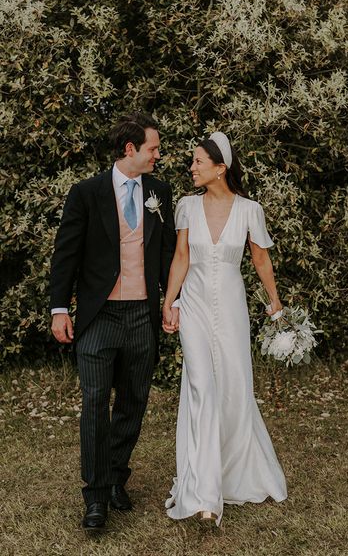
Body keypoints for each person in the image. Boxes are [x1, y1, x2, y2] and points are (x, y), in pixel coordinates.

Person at [49, 112, 178, 531]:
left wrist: (172, 301)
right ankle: (96, 497)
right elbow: (66, 254)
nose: (158, 155)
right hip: (99, 317)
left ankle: (117, 476)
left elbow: (167, 253)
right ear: (130, 149)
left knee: (132, 401)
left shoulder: (160, 191)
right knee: (94, 403)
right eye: (153, 148)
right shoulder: (86, 193)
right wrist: (59, 308)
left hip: (142, 314)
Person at [162, 132, 287, 525]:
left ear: (221, 168)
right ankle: (203, 493)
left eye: (199, 161)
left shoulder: (250, 209)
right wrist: (169, 301)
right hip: (194, 307)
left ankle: (233, 472)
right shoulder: (186, 206)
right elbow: (181, 256)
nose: (192, 167)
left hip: (232, 309)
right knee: (200, 385)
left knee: (233, 388)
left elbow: (261, 260)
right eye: (193, 161)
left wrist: (275, 301)